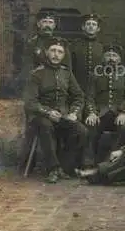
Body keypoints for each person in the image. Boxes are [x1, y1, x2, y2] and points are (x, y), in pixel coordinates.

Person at [23, 37, 88, 183]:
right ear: (46, 52)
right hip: (40, 116)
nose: (56, 54)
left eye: (60, 52)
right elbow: (30, 102)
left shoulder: (67, 73)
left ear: (63, 55)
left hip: (62, 116)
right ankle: (53, 169)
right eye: (53, 50)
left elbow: (79, 96)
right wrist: (47, 112)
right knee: (46, 126)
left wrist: (74, 113)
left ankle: (64, 167)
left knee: (81, 131)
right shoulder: (37, 74)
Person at [84, 44, 125, 164]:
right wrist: (92, 112)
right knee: (90, 128)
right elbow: (90, 97)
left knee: (123, 129)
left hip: (118, 113)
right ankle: (89, 163)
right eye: (108, 55)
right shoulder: (95, 75)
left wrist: (123, 112)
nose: (111, 58)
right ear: (103, 58)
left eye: (114, 56)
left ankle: (113, 163)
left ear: (119, 59)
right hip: (100, 113)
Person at [70, 13, 104, 93]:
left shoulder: (102, 47)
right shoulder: (74, 45)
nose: (91, 26)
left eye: (94, 24)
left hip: (97, 89)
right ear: (83, 27)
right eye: (88, 24)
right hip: (77, 86)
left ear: (98, 28)